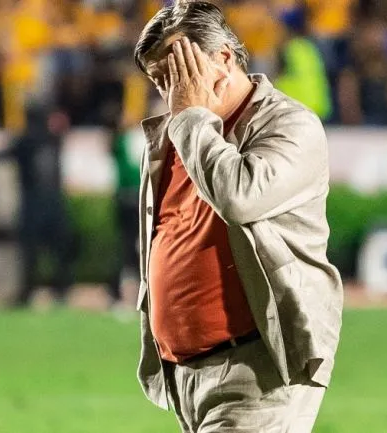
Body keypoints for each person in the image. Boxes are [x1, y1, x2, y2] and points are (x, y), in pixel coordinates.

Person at [132, 1, 343, 431]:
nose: (172, 94)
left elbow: (240, 196)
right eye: (160, 82)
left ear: (223, 59)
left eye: (178, 73)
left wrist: (192, 118)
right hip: (187, 375)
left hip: (260, 369)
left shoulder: (289, 125)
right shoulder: (175, 135)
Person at [0, 106, 77, 308]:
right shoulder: (54, 140)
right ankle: (61, 291)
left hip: (32, 205)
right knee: (58, 253)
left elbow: (1, 156)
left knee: (29, 253)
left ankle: (26, 292)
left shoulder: (24, 141)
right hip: (55, 204)